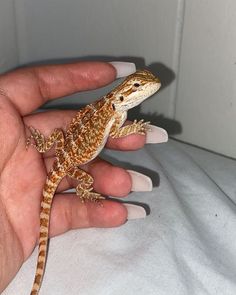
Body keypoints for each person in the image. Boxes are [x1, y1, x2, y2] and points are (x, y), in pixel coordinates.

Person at [0, 61, 168, 292]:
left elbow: (109, 132)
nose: (142, 89)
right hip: (70, 161)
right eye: (137, 85)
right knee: (88, 180)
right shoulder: (113, 112)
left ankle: (45, 146)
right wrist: (134, 127)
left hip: (64, 154)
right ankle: (82, 189)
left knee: (60, 137)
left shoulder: (114, 109)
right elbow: (117, 133)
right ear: (122, 94)